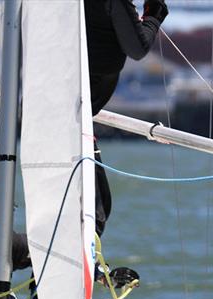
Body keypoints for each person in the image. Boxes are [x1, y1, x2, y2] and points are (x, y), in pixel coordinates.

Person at [85, 0, 169, 236]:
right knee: (95, 213)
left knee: (93, 210)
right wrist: (154, 14)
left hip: (55, 112)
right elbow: (137, 47)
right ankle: (80, 270)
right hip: (72, 119)